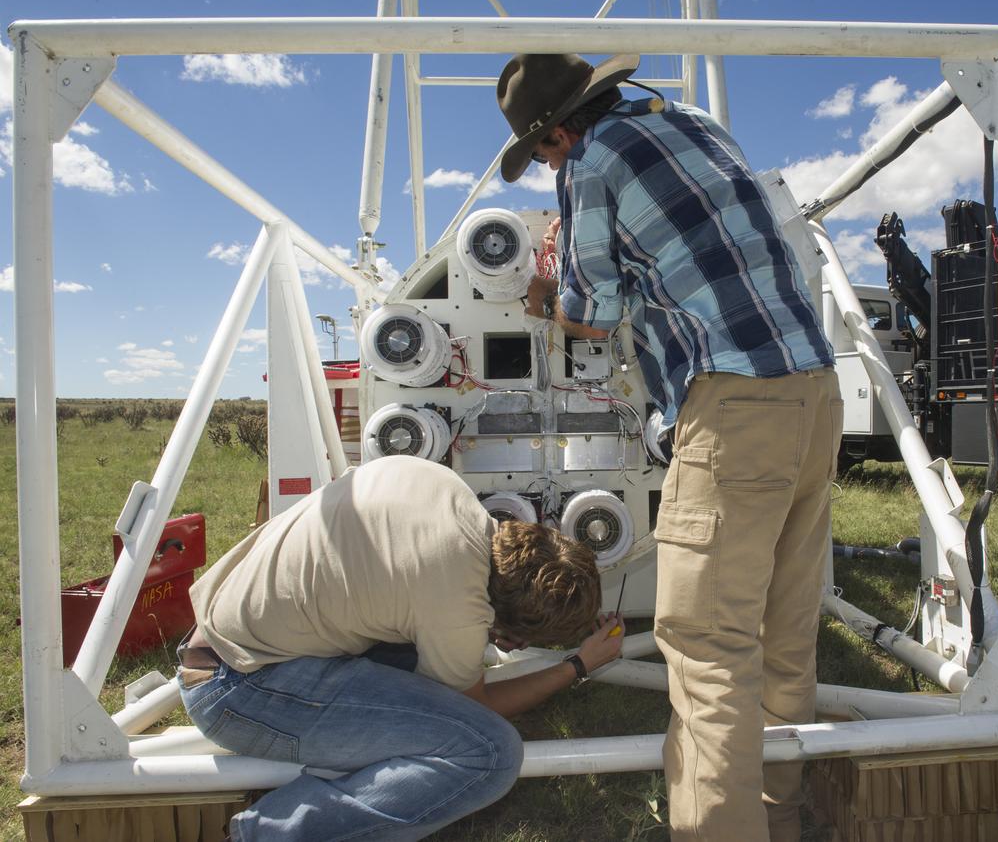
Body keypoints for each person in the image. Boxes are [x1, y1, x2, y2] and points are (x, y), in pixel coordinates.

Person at [495, 53, 841, 842]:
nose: (549, 162)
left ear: (558, 129)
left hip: (735, 402)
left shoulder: (592, 161)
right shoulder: (695, 123)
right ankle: (777, 819)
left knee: (707, 644)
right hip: (815, 391)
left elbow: (592, 308)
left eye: (542, 150)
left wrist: (545, 297)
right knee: (785, 632)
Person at [177, 455, 624, 842]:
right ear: (508, 618)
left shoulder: (444, 486)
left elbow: (390, 575)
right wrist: (580, 664)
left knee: (422, 669)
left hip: (223, 639)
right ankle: (267, 833)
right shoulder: (455, 605)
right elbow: (481, 708)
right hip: (236, 690)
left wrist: (490, 626)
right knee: (488, 752)